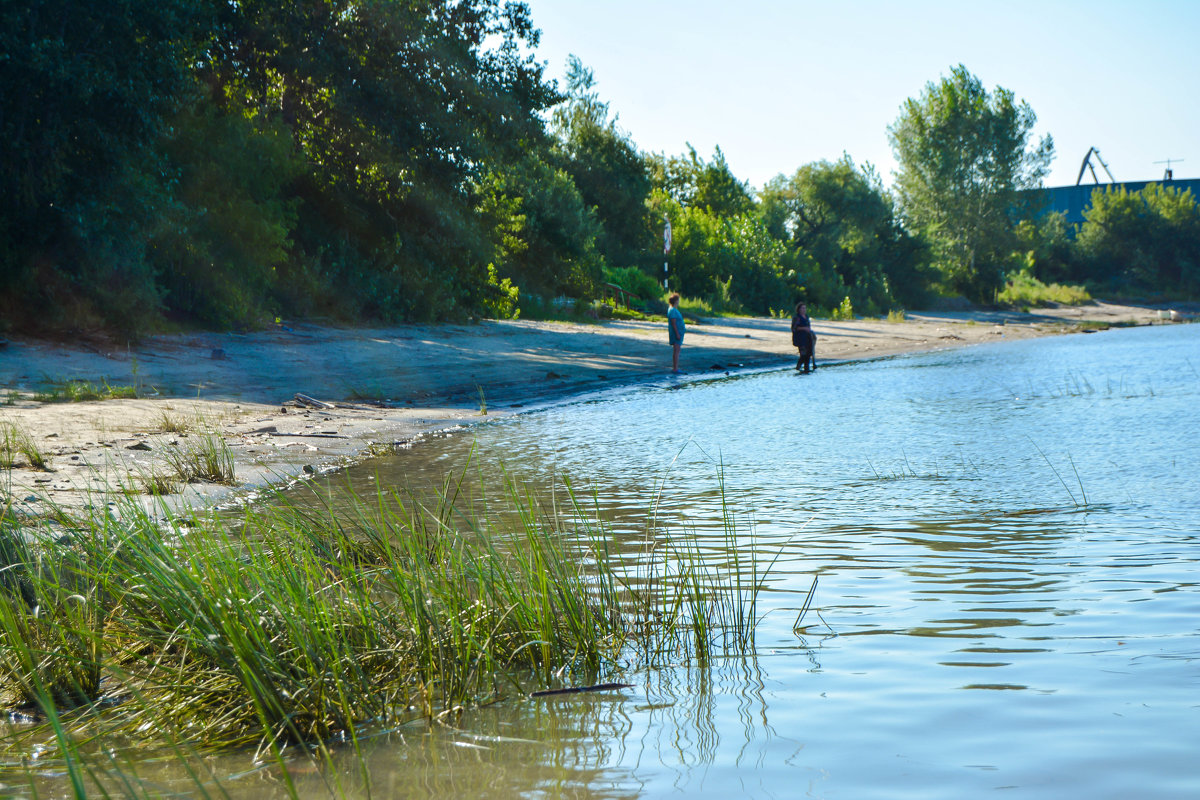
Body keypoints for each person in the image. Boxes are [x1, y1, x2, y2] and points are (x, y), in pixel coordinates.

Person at [791, 301, 816, 373]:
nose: (804, 310)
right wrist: (803, 328)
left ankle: (806, 369)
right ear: (798, 309)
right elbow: (794, 328)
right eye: (802, 308)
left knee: (808, 354)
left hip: (807, 338)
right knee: (803, 354)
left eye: (805, 308)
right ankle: (798, 367)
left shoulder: (806, 317)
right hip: (800, 338)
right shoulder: (796, 317)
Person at [667, 293, 685, 373]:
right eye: (678, 300)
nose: (679, 302)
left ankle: (675, 368)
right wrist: (677, 333)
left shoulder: (672, 309)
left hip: (678, 332)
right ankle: (675, 368)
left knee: (677, 350)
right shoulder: (673, 310)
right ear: (676, 301)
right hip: (676, 333)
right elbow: (673, 323)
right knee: (677, 350)